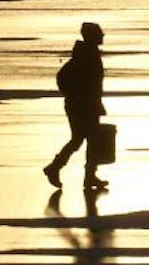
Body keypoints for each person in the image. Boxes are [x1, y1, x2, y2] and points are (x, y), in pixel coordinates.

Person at [43, 21, 107, 190]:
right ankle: (55, 168)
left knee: (88, 140)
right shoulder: (85, 55)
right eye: (100, 33)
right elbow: (66, 78)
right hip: (81, 106)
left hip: (87, 104)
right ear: (92, 36)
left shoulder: (88, 53)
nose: (103, 35)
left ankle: (88, 176)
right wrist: (77, 97)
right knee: (81, 140)